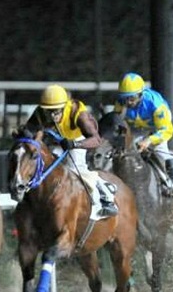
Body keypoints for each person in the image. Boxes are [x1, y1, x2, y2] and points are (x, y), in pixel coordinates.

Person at [26, 84, 118, 216]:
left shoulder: (79, 114)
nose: (52, 115)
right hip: (57, 140)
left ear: (64, 107)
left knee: (75, 169)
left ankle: (105, 193)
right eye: (49, 111)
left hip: (77, 139)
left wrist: (75, 144)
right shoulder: (40, 112)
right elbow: (29, 131)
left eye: (56, 111)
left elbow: (96, 139)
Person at [114, 72, 173, 196]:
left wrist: (149, 140)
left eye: (132, 98)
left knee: (160, 150)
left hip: (157, 128)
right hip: (135, 128)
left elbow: (166, 130)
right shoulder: (121, 103)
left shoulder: (156, 105)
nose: (128, 102)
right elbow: (117, 123)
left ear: (141, 94)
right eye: (125, 98)